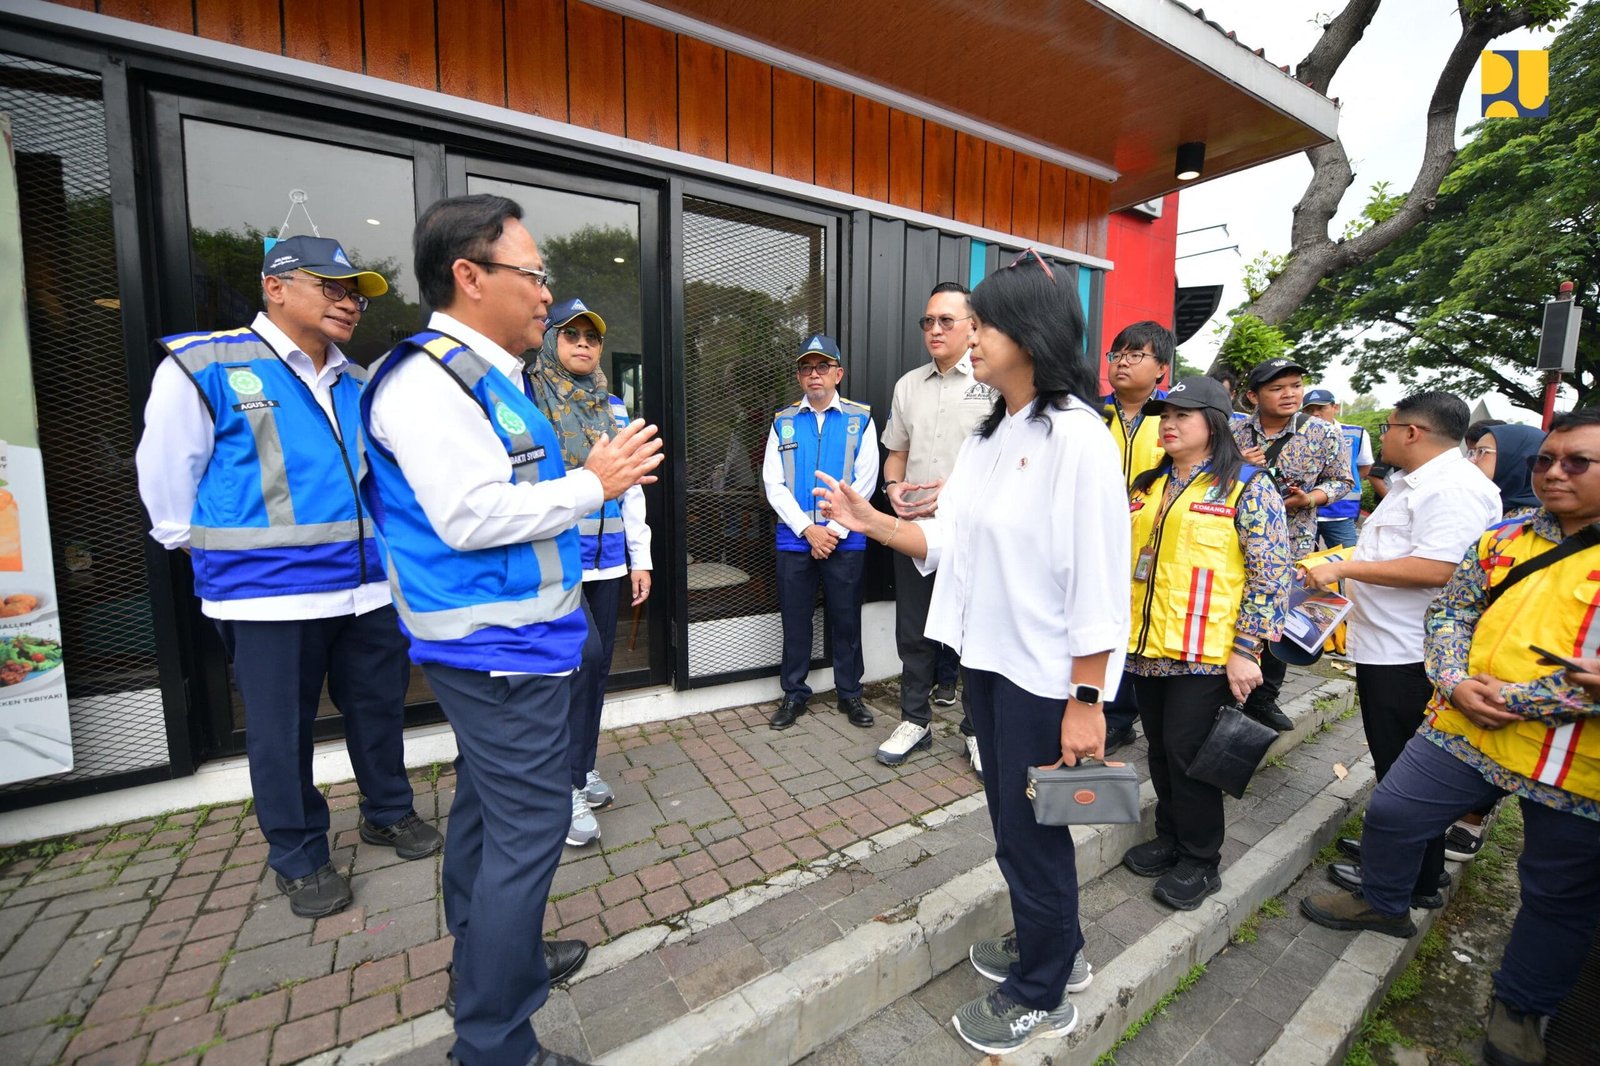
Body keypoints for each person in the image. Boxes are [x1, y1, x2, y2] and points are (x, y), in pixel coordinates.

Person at [360, 194, 662, 1066]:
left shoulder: (488, 375)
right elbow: (469, 517)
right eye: (532, 274)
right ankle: (493, 1041)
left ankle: (492, 960)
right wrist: (592, 484)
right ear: (469, 275)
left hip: (514, 640)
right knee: (529, 836)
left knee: (491, 814)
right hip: (493, 649)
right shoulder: (429, 381)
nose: (545, 293)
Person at [814, 250, 1130, 1057]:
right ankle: (1051, 944)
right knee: (1009, 823)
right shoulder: (996, 433)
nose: (969, 336)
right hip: (988, 661)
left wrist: (1087, 702)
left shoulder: (1077, 437)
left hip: (1046, 676)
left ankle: (1044, 987)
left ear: (1029, 333)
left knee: (1033, 831)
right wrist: (874, 521)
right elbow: (949, 539)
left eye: (982, 322)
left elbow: (1099, 580)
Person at [136, 235, 442, 919]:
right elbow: (166, 483)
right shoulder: (207, 364)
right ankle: (300, 855)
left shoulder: (361, 381)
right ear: (275, 286)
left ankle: (387, 810)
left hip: (367, 589)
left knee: (378, 710)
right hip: (267, 595)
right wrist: (215, 556)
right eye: (331, 286)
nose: (349, 300)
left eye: (356, 290)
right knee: (280, 732)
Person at [1301, 409, 1600, 1066]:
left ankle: (1521, 1008)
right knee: (1394, 810)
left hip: (1577, 763)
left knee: (1557, 896)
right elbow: (1452, 610)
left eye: (1576, 462)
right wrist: (1454, 677)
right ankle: (1382, 901)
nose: (1553, 472)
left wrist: (1521, 700)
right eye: (1546, 459)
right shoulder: (1507, 538)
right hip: (1466, 724)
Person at [1300, 392, 1500, 909]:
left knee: (1407, 775)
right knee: (1396, 768)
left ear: (1413, 432)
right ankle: (1394, 859)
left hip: (1411, 656)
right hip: (1385, 646)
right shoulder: (1419, 483)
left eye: (1388, 427)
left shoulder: (1454, 489)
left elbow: (1440, 568)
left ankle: (1412, 882)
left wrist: (1345, 568)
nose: (1381, 435)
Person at [1118, 376, 1289, 909]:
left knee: (1191, 754)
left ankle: (1200, 860)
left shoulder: (1247, 486)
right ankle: (1170, 839)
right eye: (1165, 415)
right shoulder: (1147, 484)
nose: (1168, 424)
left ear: (1213, 425)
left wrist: (1247, 649)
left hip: (1206, 650)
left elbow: (1271, 574)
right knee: (1163, 752)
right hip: (1146, 646)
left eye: (1183, 416)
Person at [526, 298, 652, 848]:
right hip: (555, 559)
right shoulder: (529, 397)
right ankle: (564, 784)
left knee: (598, 672)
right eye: (571, 333)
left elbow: (632, 487)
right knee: (583, 661)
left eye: (592, 337)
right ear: (553, 338)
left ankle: (582, 766)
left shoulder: (615, 407)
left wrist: (639, 558)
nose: (583, 343)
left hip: (607, 558)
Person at [876, 282, 993, 768]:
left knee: (974, 632)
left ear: (973, 327)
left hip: (972, 530)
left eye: (947, 320)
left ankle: (976, 729)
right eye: (928, 321)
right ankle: (915, 721)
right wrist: (892, 487)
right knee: (914, 629)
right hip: (916, 530)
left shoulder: (993, 386)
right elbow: (896, 451)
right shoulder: (908, 385)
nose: (936, 329)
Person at [762, 334, 880, 731]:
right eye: (806, 368)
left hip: (846, 538)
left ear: (838, 373)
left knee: (846, 619)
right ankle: (794, 694)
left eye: (822, 366)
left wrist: (831, 530)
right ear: (799, 376)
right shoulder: (783, 422)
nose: (814, 374)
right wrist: (808, 529)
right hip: (795, 539)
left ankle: (850, 694)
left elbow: (865, 480)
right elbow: (773, 484)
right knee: (795, 621)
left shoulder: (859, 418)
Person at [1232, 357, 1353, 731]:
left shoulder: (1324, 432)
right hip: (1233, 539)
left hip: (1292, 540)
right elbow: (1209, 474)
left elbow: (1343, 481)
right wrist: (1236, 465)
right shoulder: (1233, 433)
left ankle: (1265, 698)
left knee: (1278, 616)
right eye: (1277, 388)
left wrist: (1310, 498)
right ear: (1253, 396)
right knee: (1236, 607)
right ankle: (1228, 692)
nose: (1289, 394)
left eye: (1295, 385)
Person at [1447, 420, 1546, 860]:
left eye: (1483, 453)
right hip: (1468, 652)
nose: (1473, 460)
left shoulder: (1534, 525)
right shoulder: (1492, 513)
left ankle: (1471, 820)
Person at [1099, 321, 1176, 755]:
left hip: (1153, 543)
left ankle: (1123, 716)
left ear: (1161, 367)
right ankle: (1100, 708)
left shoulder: (1175, 416)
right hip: (1098, 538)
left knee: (1137, 624)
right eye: (1117, 355)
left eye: (1135, 355)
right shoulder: (1092, 414)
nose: (1123, 362)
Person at [1300, 388, 1373, 550]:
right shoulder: (1296, 435)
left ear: (1335, 407)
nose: (1315, 414)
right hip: (1303, 513)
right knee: (1301, 565)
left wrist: (1340, 487)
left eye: (1321, 408)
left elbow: (1364, 467)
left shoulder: (1355, 434)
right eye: (1309, 410)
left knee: (1341, 562)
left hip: (1341, 512)